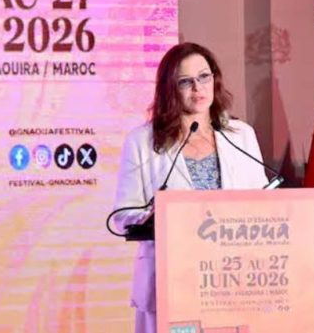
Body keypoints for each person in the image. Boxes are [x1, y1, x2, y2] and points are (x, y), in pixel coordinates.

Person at [111, 42, 268, 333]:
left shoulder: (241, 135)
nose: (198, 88)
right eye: (185, 81)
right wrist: (152, 214)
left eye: (204, 76)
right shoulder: (142, 141)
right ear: (170, 88)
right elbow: (122, 215)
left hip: (232, 278)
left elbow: (263, 204)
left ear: (214, 79)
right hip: (171, 278)